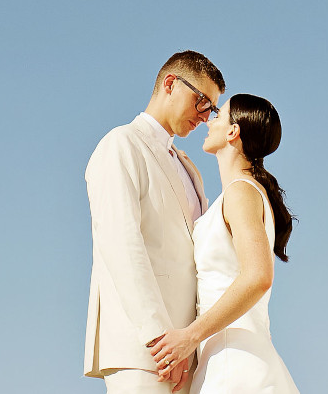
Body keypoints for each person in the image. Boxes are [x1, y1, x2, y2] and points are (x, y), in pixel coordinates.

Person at [85, 51, 226, 393]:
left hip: (189, 354)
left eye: (213, 109)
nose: (206, 116)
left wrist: (191, 343)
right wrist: (160, 340)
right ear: (170, 84)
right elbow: (121, 245)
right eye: (202, 101)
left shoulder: (189, 167)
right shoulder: (121, 144)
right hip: (146, 350)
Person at [147, 93, 301, 394]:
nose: (209, 121)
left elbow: (258, 276)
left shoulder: (241, 193)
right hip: (226, 359)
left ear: (233, 132)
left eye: (218, 115)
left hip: (235, 366)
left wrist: (189, 336)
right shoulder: (237, 194)